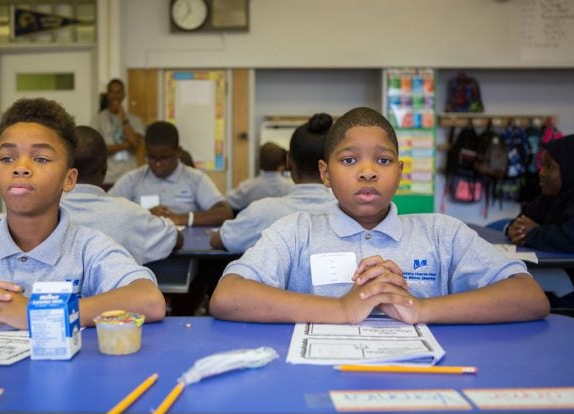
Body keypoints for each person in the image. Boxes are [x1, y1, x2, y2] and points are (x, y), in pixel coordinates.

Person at [210, 107, 549, 325]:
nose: (368, 172)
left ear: (400, 172)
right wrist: (341, 309)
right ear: (325, 174)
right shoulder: (296, 232)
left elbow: (529, 297)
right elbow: (227, 297)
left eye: (383, 161)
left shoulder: (441, 232)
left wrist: (423, 308)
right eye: (349, 161)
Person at [0, 98, 166, 330]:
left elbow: (149, 300)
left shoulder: (88, 248)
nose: (21, 168)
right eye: (7, 158)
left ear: (69, 179)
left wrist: (34, 313)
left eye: (40, 159)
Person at [211, 114, 335, 253]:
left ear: (288, 160)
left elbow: (218, 241)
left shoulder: (260, 212)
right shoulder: (351, 213)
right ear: (331, 165)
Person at [61, 125, 183, 265]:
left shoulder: (41, 211)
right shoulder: (130, 214)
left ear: (63, 167)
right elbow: (175, 238)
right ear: (105, 166)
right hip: (117, 287)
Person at [108, 121, 233, 227]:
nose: (157, 164)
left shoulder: (196, 179)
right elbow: (105, 208)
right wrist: (142, 215)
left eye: (164, 158)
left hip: (187, 249)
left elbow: (224, 212)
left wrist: (178, 219)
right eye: (151, 158)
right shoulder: (132, 179)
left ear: (178, 152)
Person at [506, 134, 574, 252]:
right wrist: (514, 229)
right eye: (542, 165)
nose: (541, 173)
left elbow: (569, 238)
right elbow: (520, 222)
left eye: (549, 166)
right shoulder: (547, 198)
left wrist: (533, 233)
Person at [91, 78, 146, 186]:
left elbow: (135, 144)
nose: (115, 96)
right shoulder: (98, 120)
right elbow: (100, 149)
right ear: (107, 94)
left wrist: (123, 119)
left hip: (130, 176)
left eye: (118, 92)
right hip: (108, 177)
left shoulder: (135, 120)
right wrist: (126, 145)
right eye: (112, 92)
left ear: (124, 95)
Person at [226, 142, 293, 212]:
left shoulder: (247, 187)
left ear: (259, 163)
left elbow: (227, 202)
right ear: (283, 163)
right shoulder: (291, 186)